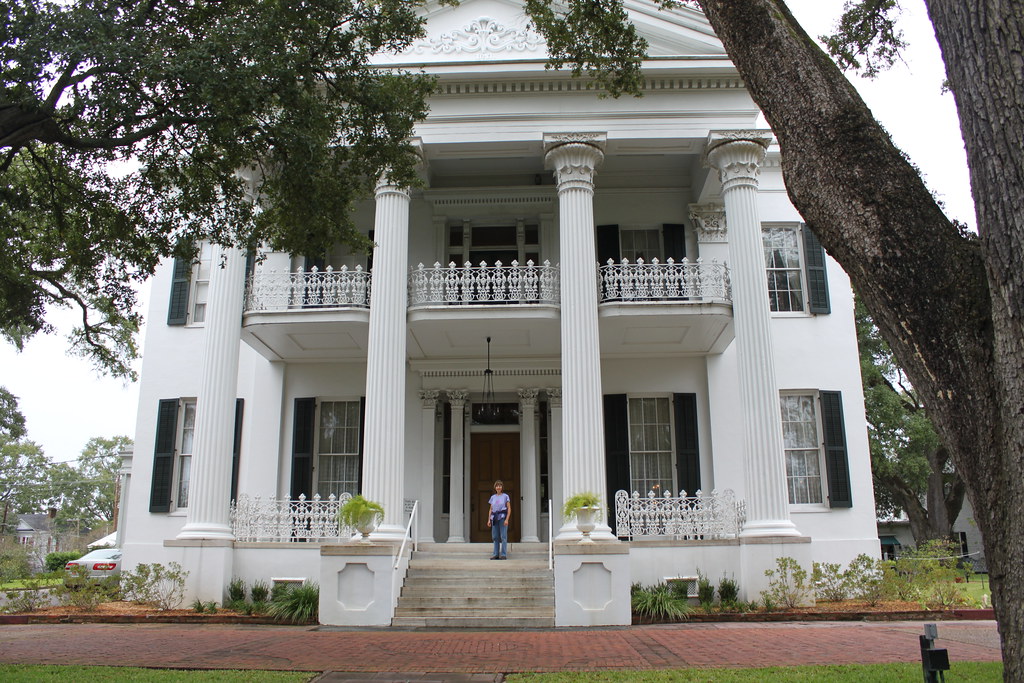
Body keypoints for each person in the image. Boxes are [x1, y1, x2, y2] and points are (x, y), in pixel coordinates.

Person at [487, 480, 511, 560]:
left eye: (500, 486)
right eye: (497, 486)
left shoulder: (505, 496)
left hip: (502, 517)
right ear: (495, 487)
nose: (498, 487)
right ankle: (496, 554)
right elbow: (491, 509)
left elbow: (509, 508)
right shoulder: (493, 497)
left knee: (503, 536)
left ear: (502, 487)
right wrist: (489, 520)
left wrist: (507, 519)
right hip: (494, 518)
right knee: (495, 537)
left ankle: (503, 554)